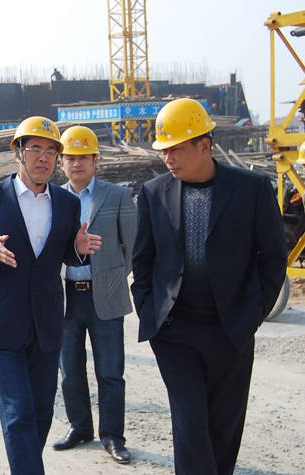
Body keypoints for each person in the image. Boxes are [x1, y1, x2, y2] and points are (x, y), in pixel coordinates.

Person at [131, 98, 287, 475]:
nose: (167, 158)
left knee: (223, 429)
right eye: (163, 150)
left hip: (230, 331)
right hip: (174, 333)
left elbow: (272, 258)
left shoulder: (251, 188)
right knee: (190, 426)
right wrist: (150, 310)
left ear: (204, 145)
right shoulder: (153, 192)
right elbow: (143, 260)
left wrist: (253, 313)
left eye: (175, 149)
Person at [0, 116, 102, 475]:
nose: (44, 158)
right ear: (18, 152)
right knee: (18, 413)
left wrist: (78, 249)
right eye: (35, 149)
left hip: (47, 323)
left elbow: (63, 252)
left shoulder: (66, 202)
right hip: (1, 322)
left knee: (41, 410)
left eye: (51, 151)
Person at [52, 126, 136, 464]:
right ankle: (80, 427)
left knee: (110, 372)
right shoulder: (53, 198)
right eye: (70, 158)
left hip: (106, 297)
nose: (76, 164)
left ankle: (113, 436)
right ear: (62, 162)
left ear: (95, 160)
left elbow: (132, 247)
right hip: (66, 298)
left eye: (83, 158)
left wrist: (111, 278)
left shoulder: (117, 196)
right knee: (70, 371)